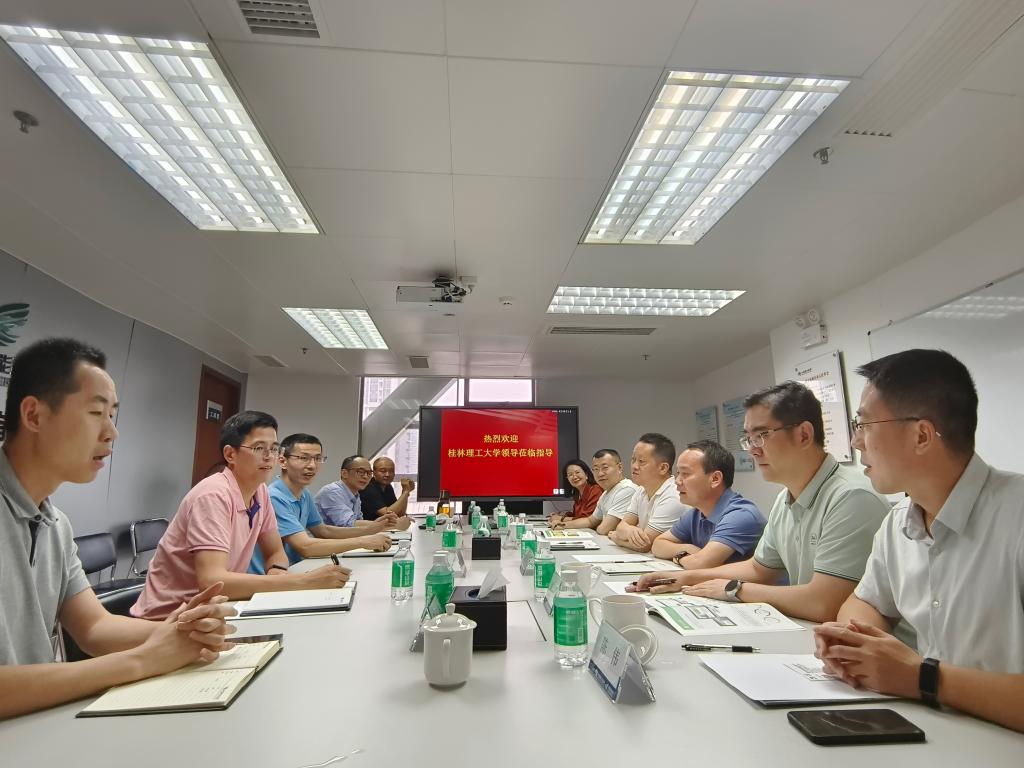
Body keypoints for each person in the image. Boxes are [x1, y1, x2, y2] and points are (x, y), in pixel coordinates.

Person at [0, 338, 234, 719]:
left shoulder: (55, 524)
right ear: (34, 415)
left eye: (113, 415)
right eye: (97, 413)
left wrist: (183, 632)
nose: (112, 432)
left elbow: (94, 627)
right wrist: (142, 660)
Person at [814, 350, 1024, 732]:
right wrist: (858, 646)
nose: (856, 441)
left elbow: (918, 676)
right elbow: (863, 602)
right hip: (935, 732)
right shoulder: (898, 523)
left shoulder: (1016, 516)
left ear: (921, 435)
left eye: (864, 424)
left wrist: (921, 677)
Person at [632, 382, 889, 623]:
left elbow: (824, 603)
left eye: (762, 435)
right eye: (749, 439)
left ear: (803, 435)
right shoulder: (785, 499)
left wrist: (736, 589)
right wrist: (683, 578)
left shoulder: (850, 497)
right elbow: (759, 568)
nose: (753, 449)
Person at [132, 411, 350, 619]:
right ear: (230, 454)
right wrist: (303, 582)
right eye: (259, 448)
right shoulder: (213, 495)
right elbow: (212, 581)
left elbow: (275, 551)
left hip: (217, 608)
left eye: (274, 449)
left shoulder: (260, 491)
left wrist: (277, 571)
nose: (269, 457)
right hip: (170, 619)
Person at [249, 433, 393, 574]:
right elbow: (305, 546)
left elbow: (323, 531)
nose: (312, 465)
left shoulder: (304, 494)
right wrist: (363, 541)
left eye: (317, 458)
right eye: (303, 458)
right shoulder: (274, 497)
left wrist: (370, 530)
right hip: (269, 577)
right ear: (282, 461)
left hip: (296, 568)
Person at [650, 440, 766, 568]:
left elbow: (700, 563)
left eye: (685, 474)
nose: (677, 481)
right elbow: (658, 545)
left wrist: (679, 557)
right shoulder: (697, 513)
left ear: (715, 479)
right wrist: (687, 549)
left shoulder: (741, 515)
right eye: (678, 473)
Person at [608, 433, 687, 552]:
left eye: (641, 461)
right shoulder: (641, 489)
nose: (634, 466)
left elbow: (645, 545)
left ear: (663, 468)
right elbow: (621, 526)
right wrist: (628, 530)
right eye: (633, 459)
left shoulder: (673, 496)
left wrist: (617, 539)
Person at [550, 449, 638, 533]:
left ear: (620, 467)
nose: (600, 473)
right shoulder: (605, 494)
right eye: (596, 469)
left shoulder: (627, 489)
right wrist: (562, 524)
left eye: (605, 468)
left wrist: (597, 527)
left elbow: (604, 529)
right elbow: (590, 521)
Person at [314, 455, 409, 532]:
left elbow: (359, 523)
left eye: (368, 473)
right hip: (319, 545)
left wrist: (384, 522)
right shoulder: (332, 492)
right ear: (344, 473)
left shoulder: (355, 495)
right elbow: (349, 525)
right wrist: (390, 525)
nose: (365, 476)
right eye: (361, 472)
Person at [548, 459, 602, 526]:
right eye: (570, 474)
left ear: (586, 474)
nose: (574, 477)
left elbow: (587, 519)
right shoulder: (577, 493)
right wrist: (559, 516)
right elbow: (576, 515)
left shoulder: (596, 490)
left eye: (577, 472)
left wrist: (561, 519)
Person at [359, 456, 414, 522]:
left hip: (384, 526)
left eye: (391, 471)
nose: (387, 474)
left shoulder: (388, 486)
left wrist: (405, 491)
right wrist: (405, 492)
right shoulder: (368, 488)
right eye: (383, 471)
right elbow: (388, 513)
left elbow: (400, 514)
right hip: (368, 527)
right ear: (374, 472)